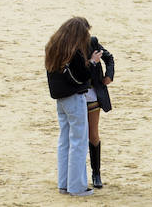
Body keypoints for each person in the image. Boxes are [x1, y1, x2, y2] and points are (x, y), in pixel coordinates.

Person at [45, 16, 98, 197]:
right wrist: (92, 63)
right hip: (74, 98)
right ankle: (77, 187)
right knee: (78, 142)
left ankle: (64, 184)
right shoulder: (74, 51)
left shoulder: (54, 47)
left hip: (60, 99)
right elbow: (82, 76)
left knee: (64, 141)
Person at [85, 33, 115, 190]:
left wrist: (109, 75)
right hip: (73, 94)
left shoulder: (92, 42)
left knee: (93, 134)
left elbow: (109, 58)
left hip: (92, 94)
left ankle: (96, 173)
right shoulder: (68, 44)